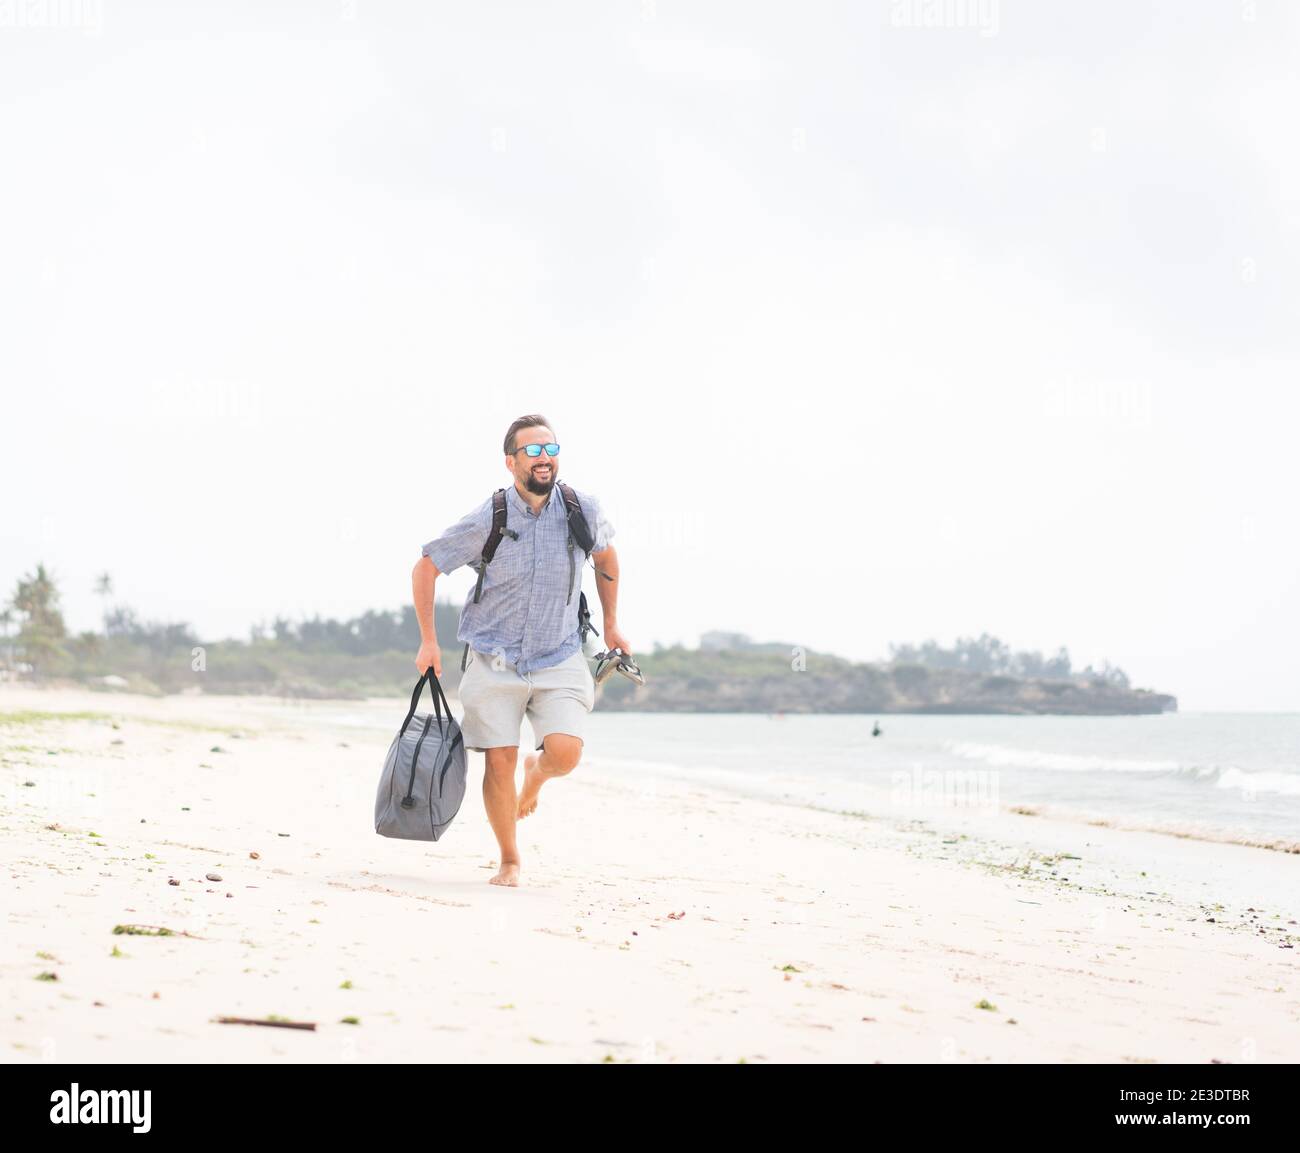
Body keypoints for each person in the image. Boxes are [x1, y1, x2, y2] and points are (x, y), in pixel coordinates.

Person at [411, 414, 630, 887]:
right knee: (498, 760)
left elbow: (607, 556)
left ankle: (538, 773)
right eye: (532, 451)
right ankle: (509, 859)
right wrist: (429, 639)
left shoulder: (582, 509)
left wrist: (611, 624)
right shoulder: (488, 518)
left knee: (566, 753)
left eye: (550, 449)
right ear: (511, 462)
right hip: (493, 657)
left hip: (560, 652)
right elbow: (426, 566)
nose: (544, 458)